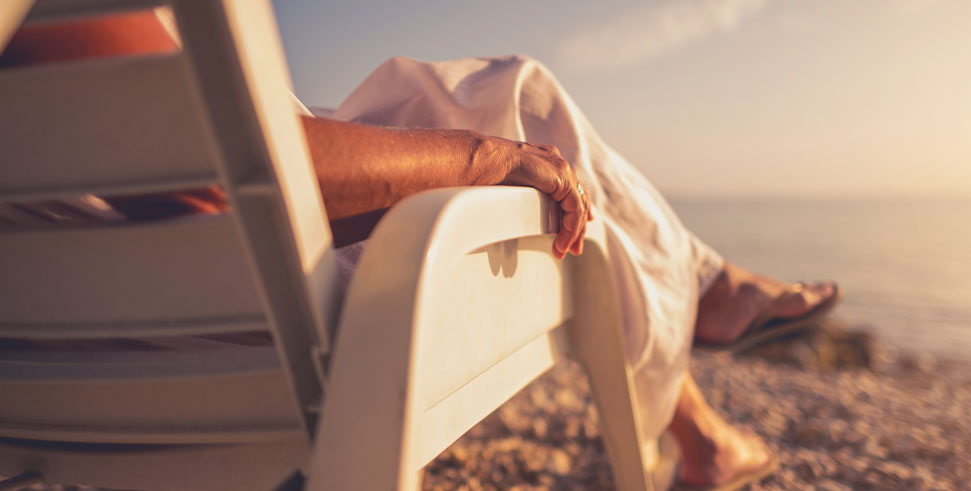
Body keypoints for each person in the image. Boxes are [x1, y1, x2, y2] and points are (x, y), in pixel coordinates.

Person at [0, 10, 840, 490]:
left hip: (56, 353)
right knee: (517, 105)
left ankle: (703, 407)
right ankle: (705, 309)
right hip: (254, 316)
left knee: (508, 121)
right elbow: (206, 166)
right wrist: (490, 162)